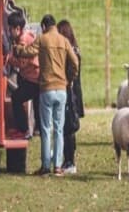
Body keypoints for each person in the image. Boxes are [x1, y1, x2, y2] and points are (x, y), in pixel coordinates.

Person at [12, 14, 79, 177]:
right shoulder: (64, 41)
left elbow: (28, 52)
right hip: (62, 89)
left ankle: (45, 166)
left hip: (47, 89)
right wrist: (69, 79)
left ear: (43, 26)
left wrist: (17, 49)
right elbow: (75, 62)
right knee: (59, 129)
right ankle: (58, 166)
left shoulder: (42, 39)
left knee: (46, 128)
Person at [6, 11, 40, 138]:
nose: (9, 31)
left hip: (33, 78)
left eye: (10, 28)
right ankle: (35, 128)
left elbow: (22, 63)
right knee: (34, 103)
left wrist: (9, 59)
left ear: (17, 28)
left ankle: (22, 128)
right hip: (34, 76)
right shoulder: (27, 36)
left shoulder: (23, 40)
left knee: (16, 98)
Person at [57, 19, 84, 174]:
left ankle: (70, 161)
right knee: (68, 128)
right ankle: (67, 160)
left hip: (70, 94)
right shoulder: (75, 49)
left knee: (68, 128)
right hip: (74, 93)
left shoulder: (71, 52)